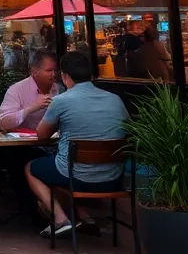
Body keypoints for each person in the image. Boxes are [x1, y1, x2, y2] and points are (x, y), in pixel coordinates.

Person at [26, 51, 129, 238]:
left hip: (77, 177)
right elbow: (127, 130)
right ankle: (84, 216)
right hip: (114, 178)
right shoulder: (116, 100)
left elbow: (42, 135)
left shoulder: (61, 100)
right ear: (91, 75)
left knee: (31, 168)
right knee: (67, 165)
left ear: (65, 76)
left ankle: (60, 219)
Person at [0, 49, 60, 132]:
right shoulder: (17, 90)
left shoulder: (60, 88)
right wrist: (32, 108)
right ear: (34, 71)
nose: (54, 74)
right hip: (25, 142)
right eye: (49, 71)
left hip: (56, 141)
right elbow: (4, 124)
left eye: (55, 70)